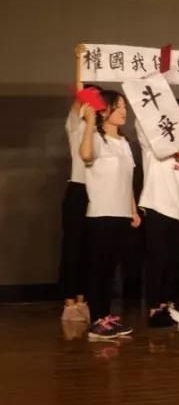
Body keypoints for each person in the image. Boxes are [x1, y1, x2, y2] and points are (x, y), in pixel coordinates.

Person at [137, 98, 179, 328]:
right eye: (177, 112)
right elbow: (140, 124)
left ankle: (168, 305)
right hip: (158, 205)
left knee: (175, 262)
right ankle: (154, 308)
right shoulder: (154, 139)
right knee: (157, 258)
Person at [80, 90, 140, 340]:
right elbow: (85, 155)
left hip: (120, 215)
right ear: (104, 111)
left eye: (125, 106)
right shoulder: (95, 138)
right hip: (101, 214)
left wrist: (133, 209)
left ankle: (105, 317)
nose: (124, 111)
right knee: (99, 269)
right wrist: (90, 122)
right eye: (118, 106)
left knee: (110, 269)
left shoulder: (124, 143)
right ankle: (97, 321)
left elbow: (127, 180)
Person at [60, 43, 95, 323]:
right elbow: (80, 90)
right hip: (77, 190)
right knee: (72, 248)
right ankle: (69, 302)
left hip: (97, 194)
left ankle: (83, 299)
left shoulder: (100, 131)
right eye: (89, 100)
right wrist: (80, 60)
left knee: (89, 249)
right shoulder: (76, 125)